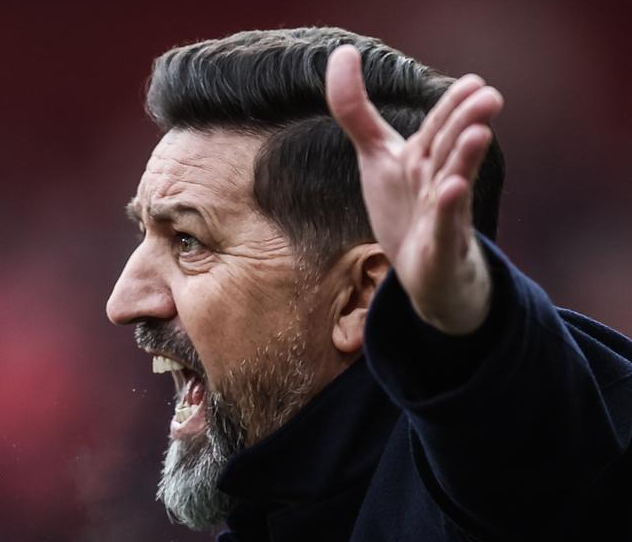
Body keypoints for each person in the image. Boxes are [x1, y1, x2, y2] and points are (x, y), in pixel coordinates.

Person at [105, 27, 632, 541]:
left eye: (188, 241)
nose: (123, 301)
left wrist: (463, 319)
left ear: (360, 296)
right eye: (144, 232)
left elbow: (531, 454)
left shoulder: (492, 493)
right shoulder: (279, 512)